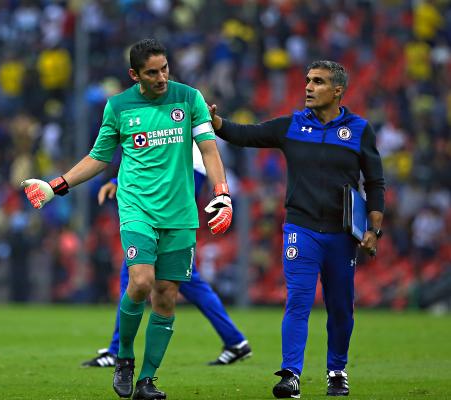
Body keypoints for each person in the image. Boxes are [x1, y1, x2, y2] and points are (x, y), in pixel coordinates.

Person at [23, 39, 233, 399]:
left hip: (180, 213)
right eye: (152, 72)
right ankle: (123, 358)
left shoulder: (189, 98)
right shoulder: (119, 107)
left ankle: (147, 381)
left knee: (166, 296)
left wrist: (222, 192)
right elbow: (98, 158)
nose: (162, 77)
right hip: (136, 208)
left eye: (165, 68)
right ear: (135, 74)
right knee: (140, 282)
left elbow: (209, 148)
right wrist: (56, 185)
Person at [209, 60, 385, 398]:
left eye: (317, 82)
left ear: (337, 91)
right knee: (298, 302)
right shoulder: (292, 125)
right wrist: (216, 122)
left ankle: (337, 370)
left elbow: (375, 182)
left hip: (341, 234)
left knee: (340, 307)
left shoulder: (360, 130)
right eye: (307, 80)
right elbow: (247, 134)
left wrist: (373, 230)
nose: (308, 86)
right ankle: (291, 374)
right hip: (300, 229)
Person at [82, 148, 251, 369]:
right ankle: (235, 341)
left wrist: (118, 178)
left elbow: (158, 150)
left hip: (177, 178)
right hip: (179, 172)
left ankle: (116, 351)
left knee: (136, 272)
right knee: (186, 279)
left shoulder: (180, 121)